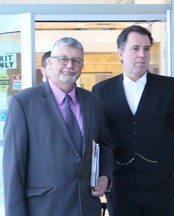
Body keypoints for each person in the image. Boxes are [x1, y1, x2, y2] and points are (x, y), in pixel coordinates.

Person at [92, 25, 174, 216]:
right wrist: (100, 175)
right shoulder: (101, 91)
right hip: (120, 187)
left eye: (146, 49)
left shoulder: (171, 87)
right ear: (121, 53)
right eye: (135, 48)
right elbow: (99, 139)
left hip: (160, 187)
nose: (142, 54)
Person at [3, 37, 113, 216]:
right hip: (44, 208)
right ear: (50, 63)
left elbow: (104, 145)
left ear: (82, 67)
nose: (70, 65)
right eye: (63, 59)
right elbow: (13, 166)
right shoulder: (24, 102)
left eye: (76, 61)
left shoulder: (94, 102)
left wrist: (105, 175)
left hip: (85, 207)